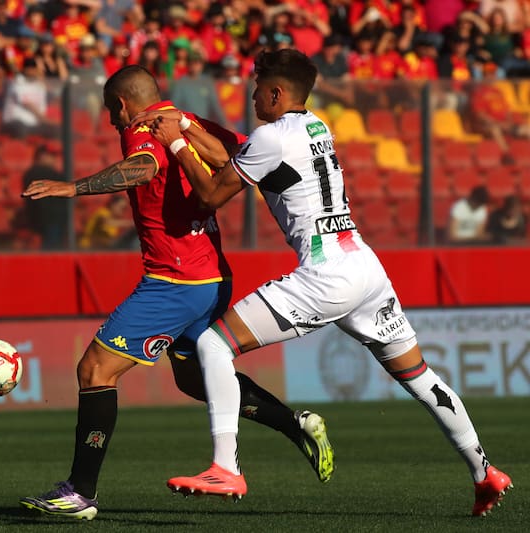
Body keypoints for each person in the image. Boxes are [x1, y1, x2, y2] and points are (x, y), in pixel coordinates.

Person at [141, 48, 512, 517]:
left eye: (258, 89)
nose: (253, 96)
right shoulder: (316, 127)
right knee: (421, 378)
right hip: (365, 268)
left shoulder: (271, 137)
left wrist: (176, 143)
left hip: (325, 275)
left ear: (276, 93)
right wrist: (190, 127)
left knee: (213, 346)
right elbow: (245, 158)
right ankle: (484, 472)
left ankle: (225, 466)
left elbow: (210, 195)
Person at [18, 64, 334, 521]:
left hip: (175, 280)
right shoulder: (186, 118)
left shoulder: (141, 128)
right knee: (193, 378)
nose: (112, 122)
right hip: (212, 276)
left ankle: (79, 493)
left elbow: (143, 166)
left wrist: (74, 187)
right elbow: (234, 154)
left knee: (95, 370)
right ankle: (296, 424)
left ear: (122, 104)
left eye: (112, 112)